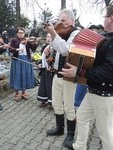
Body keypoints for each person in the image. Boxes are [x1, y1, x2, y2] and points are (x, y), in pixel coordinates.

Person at [58, 4, 113, 150]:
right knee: (81, 117)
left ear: (111, 18)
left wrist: (79, 72)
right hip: (93, 90)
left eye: (105, 16)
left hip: (105, 94)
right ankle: (79, 146)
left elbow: (108, 72)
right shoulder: (106, 37)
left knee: (105, 132)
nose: (104, 20)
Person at [44, 9, 79, 149]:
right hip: (57, 73)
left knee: (69, 106)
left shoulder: (76, 33)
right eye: (60, 20)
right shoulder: (61, 33)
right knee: (56, 103)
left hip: (69, 76)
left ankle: (70, 134)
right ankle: (60, 128)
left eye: (64, 20)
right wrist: (49, 48)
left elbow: (65, 50)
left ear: (72, 21)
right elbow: (57, 48)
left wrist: (53, 32)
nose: (61, 23)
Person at [9, 27, 38, 101]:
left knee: (24, 75)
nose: (21, 34)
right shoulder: (14, 41)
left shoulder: (27, 40)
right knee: (17, 75)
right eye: (19, 33)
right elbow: (10, 49)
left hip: (26, 59)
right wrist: (18, 47)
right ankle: (16, 93)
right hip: (17, 59)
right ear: (17, 33)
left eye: (22, 33)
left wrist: (32, 42)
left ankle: (24, 92)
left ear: (24, 34)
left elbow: (33, 48)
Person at [37, 33, 53, 107]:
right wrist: (40, 63)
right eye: (47, 37)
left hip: (51, 70)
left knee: (50, 86)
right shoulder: (44, 47)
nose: (48, 38)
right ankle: (43, 100)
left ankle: (51, 102)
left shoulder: (54, 47)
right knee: (43, 85)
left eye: (50, 37)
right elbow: (42, 58)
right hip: (44, 69)